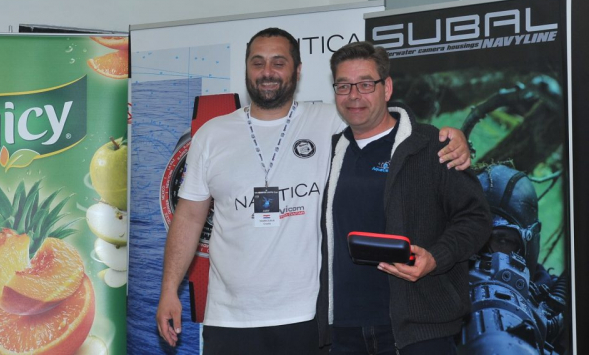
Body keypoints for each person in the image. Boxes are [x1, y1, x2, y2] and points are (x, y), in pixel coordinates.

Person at [157, 28, 471, 355]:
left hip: (309, 318)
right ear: (247, 68)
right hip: (229, 318)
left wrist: (448, 137)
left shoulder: (332, 121)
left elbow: (388, 124)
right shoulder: (212, 135)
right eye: (257, 62)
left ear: (298, 70)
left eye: (278, 62)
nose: (267, 72)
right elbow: (189, 219)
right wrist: (168, 291)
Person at [318, 41, 492, 354]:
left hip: (418, 332)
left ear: (386, 88)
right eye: (343, 86)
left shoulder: (431, 146)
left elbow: (476, 218)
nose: (353, 95)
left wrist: (436, 257)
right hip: (343, 332)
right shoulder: (326, 153)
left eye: (365, 84)